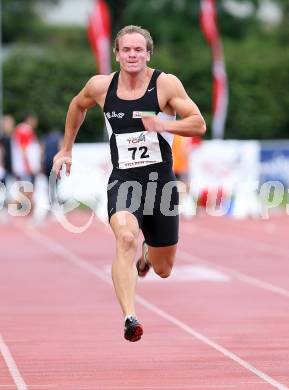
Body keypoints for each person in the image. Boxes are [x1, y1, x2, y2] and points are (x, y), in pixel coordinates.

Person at [53, 25, 206, 342]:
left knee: (164, 269)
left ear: (148, 53)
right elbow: (76, 106)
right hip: (124, 179)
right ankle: (130, 316)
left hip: (161, 184)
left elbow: (198, 123)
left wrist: (163, 124)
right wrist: (66, 148)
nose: (132, 55)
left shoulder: (165, 84)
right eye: (126, 49)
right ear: (117, 53)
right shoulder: (100, 86)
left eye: (139, 50)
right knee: (125, 237)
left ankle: (148, 256)